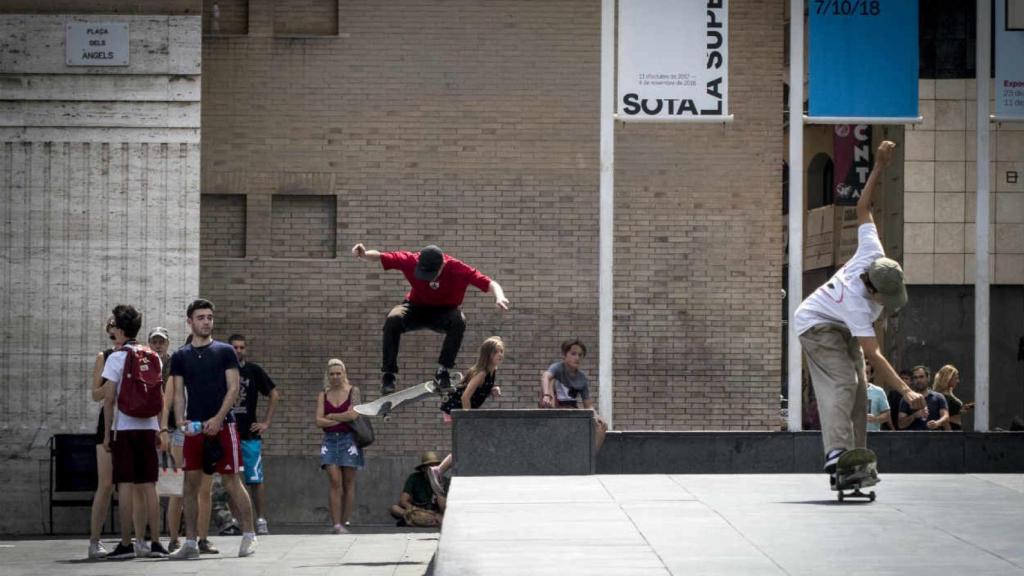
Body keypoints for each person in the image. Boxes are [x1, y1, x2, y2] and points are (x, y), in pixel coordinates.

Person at [793, 140, 925, 482]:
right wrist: (906, 390)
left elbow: (863, 207)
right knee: (843, 381)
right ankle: (836, 451)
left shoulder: (872, 251)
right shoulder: (857, 302)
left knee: (861, 388)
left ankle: (855, 460)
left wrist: (879, 165)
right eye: (885, 298)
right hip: (816, 324)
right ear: (872, 289)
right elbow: (876, 355)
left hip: (840, 326)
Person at [351, 243, 509, 395]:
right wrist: (364, 255)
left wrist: (499, 297)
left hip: (444, 312)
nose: (427, 279)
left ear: (442, 265)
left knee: (458, 321)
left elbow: (490, 283)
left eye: (431, 274)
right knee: (393, 319)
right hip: (415, 308)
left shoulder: (457, 268)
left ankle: (443, 371)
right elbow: (380, 256)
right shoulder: (411, 260)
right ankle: (388, 375)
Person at [167, 299, 257, 559]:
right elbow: (178, 393)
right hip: (194, 428)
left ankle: (249, 536)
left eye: (209, 317)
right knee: (189, 485)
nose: (206, 321)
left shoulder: (225, 351)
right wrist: (181, 419)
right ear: (190, 321)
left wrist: (218, 418)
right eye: (201, 317)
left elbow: (233, 388)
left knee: (231, 481)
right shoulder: (181, 356)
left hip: (223, 426)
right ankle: (191, 543)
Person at [101, 305, 169, 559]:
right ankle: (154, 543)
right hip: (149, 428)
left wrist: (107, 434)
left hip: (126, 429)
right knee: (149, 486)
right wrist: (161, 429)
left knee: (126, 486)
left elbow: (108, 400)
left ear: (119, 330)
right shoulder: (153, 356)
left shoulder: (117, 357)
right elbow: (160, 396)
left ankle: (127, 543)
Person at [430, 336, 506, 494]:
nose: (500, 355)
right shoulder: (482, 373)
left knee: (466, 443)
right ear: (487, 355)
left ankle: (440, 470)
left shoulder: (492, 372)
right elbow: (465, 396)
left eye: (501, 351)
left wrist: (493, 389)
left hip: (463, 412)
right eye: (496, 352)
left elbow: (480, 389)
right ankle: (438, 470)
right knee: (464, 444)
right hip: (458, 411)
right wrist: (468, 419)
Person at [228, 334, 280, 536]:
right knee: (232, 478)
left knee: (255, 479)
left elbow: (274, 393)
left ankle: (260, 519)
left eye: (241, 347)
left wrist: (266, 422)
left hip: (250, 434)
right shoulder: (222, 370)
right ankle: (236, 521)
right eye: (234, 347)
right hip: (230, 432)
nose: (238, 351)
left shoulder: (253, 371)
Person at [87, 318, 124, 559]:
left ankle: (130, 539)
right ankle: (94, 541)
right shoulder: (106, 356)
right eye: (111, 335)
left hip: (132, 421)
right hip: (108, 423)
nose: (115, 339)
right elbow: (95, 394)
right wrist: (113, 382)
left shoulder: (136, 353)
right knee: (106, 484)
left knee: (130, 486)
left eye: (118, 334)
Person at [315, 358, 364, 534]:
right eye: (332, 374)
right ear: (328, 376)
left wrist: (332, 416)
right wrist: (339, 416)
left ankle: (345, 521)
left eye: (338, 373)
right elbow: (318, 420)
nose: (335, 377)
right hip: (329, 440)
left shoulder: (353, 391)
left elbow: (353, 416)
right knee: (335, 482)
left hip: (349, 439)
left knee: (349, 483)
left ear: (344, 373)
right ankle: (336, 524)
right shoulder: (323, 394)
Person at [538, 339, 607, 451]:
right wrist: (546, 395)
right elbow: (545, 376)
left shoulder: (582, 379)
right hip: (553, 405)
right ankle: (550, 414)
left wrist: (597, 416)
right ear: (565, 355)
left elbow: (588, 405)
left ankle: (588, 458)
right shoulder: (558, 367)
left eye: (580, 355)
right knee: (549, 378)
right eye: (573, 354)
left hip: (572, 411)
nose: (577, 358)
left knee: (601, 426)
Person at [389, 452, 447, 527]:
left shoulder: (444, 480)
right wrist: (418, 511)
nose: (433, 469)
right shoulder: (414, 478)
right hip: (417, 511)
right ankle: (419, 521)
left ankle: (416, 522)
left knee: (441, 507)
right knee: (394, 508)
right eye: (430, 466)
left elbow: (445, 505)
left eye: (436, 466)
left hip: (434, 514)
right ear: (423, 468)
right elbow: (403, 501)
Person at [898, 365, 950, 431]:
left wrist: (937, 423)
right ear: (913, 380)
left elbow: (946, 417)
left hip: (934, 438)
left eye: (921, 377)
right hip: (913, 439)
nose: (918, 380)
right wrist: (914, 416)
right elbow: (901, 424)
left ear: (928, 378)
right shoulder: (906, 399)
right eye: (915, 378)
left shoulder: (938, 397)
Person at [932, 364, 973, 431]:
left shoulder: (948, 393)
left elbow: (952, 412)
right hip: (950, 430)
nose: (958, 381)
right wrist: (950, 433)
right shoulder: (943, 396)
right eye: (956, 378)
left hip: (955, 429)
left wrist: (961, 409)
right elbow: (944, 418)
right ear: (948, 378)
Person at [864, 362, 890, 432]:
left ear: (871, 375)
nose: (863, 375)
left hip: (873, 435)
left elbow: (887, 415)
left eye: (866, 373)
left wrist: (876, 419)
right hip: (852, 436)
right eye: (861, 372)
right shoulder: (849, 391)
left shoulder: (878, 391)